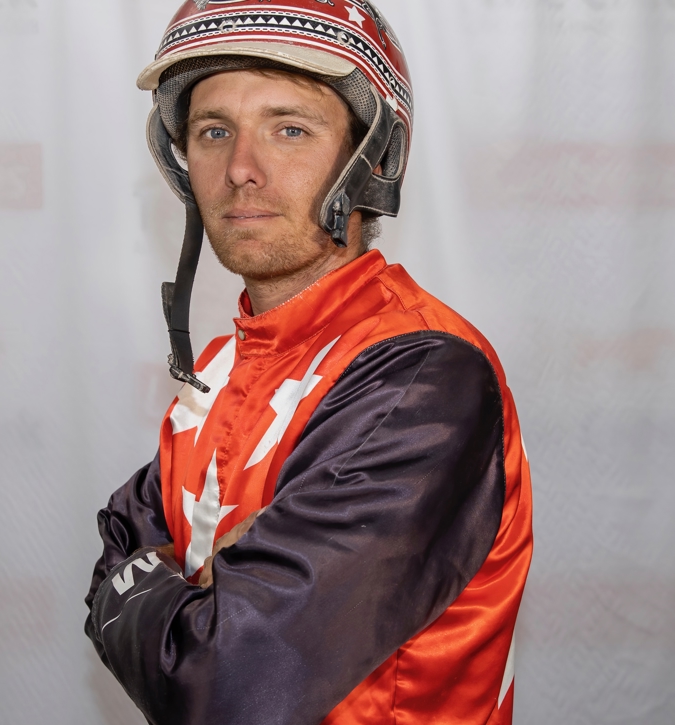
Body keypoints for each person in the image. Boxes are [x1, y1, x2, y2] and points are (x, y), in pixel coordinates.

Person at [85, 2, 533, 724]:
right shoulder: (219, 366)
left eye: (289, 129)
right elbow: (114, 547)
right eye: (213, 131)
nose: (240, 169)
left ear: (372, 160)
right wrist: (198, 593)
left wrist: (173, 591)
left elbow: (226, 680)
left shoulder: (424, 376)